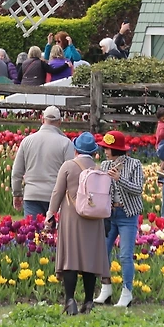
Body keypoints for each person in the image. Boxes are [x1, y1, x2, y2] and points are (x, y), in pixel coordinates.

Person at [45, 132, 110, 315]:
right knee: (89, 260)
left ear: (75, 150)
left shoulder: (68, 166)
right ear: (94, 151)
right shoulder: (98, 169)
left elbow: (58, 192)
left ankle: (70, 300)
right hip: (94, 219)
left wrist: (50, 215)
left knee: (70, 259)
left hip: (72, 217)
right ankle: (89, 301)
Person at [94, 131, 145, 308]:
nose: (105, 151)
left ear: (117, 149)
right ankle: (106, 288)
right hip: (109, 215)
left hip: (127, 215)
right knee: (102, 253)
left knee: (125, 255)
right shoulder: (105, 165)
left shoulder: (134, 165)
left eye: (108, 148)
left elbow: (138, 189)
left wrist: (119, 179)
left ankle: (127, 291)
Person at [10, 105, 75, 218]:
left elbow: (17, 172)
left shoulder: (27, 141)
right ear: (60, 122)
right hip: (56, 197)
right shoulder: (66, 143)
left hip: (32, 194)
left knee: (32, 231)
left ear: (42, 119)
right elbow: (71, 174)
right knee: (54, 234)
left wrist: (17, 193)